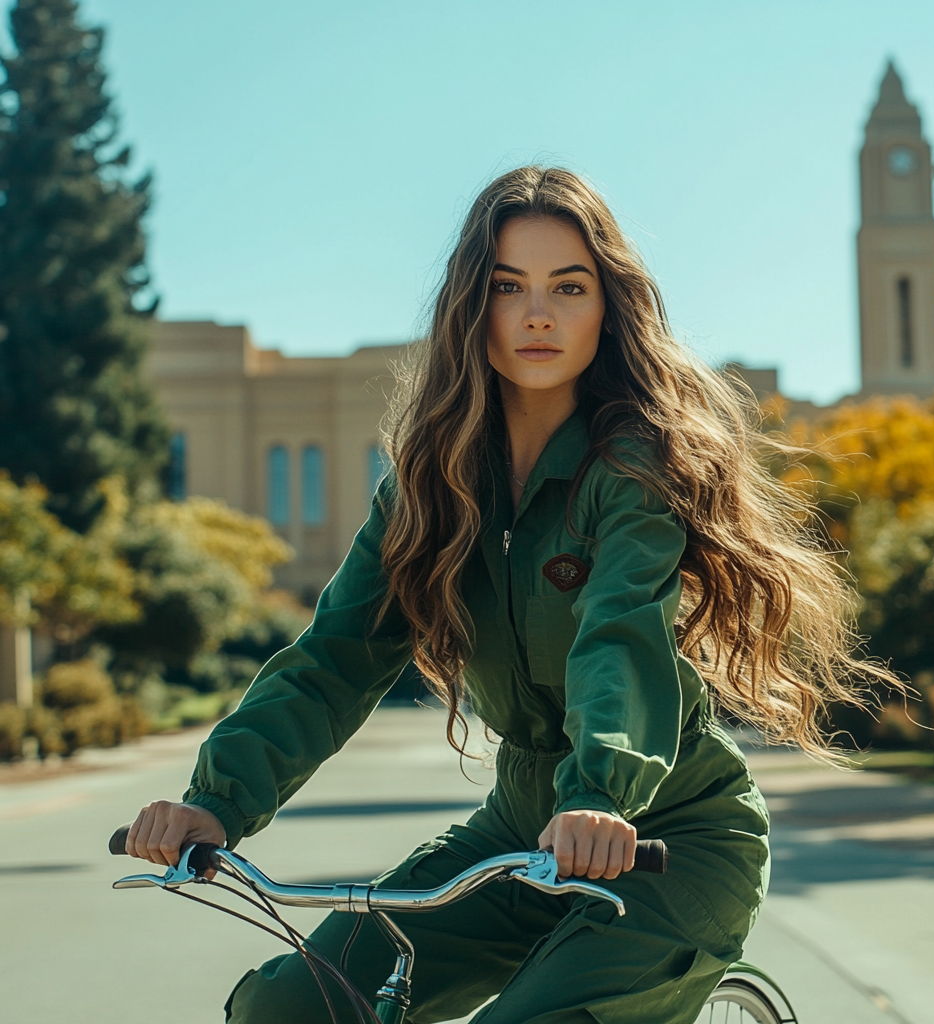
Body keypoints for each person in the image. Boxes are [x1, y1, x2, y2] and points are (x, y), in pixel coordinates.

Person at [125, 166, 889, 1023]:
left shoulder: (634, 469)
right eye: (507, 286)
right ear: (471, 309)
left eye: (569, 286)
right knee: (293, 1007)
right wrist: (214, 802)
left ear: (609, 306)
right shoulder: (428, 487)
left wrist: (599, 795)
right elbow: (336, 658)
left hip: (665, 839)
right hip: (518, 836)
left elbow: (621, 640)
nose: (537, 314)